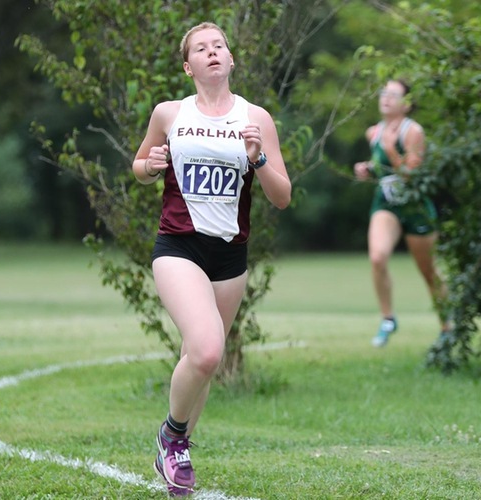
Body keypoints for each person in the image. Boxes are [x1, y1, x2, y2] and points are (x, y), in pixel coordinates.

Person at [131, 21, 291, 496]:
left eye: (219, 45)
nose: (213, 52)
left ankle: (176, 453)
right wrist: (150, 166)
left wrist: (257, 158)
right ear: (189, 67)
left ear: (231, 58)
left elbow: (282, 196)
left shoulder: (255, 118)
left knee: (200, 360)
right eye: (201, 48)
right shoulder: (169, 113)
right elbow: (140, 166)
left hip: (230, 257)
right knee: (206, 349)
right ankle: (172, 437)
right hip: (178, 246)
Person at [353, 79, 450, 347]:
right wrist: (366, 169)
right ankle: (388, 319)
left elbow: (410, 174)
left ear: (406, 104)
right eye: (383, 93)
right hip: (386, 204)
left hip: (415, 207)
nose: (385, 98)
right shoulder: (374, 132)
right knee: (377, 257)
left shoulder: (413, 132)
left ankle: (448, 328)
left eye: (393, 95)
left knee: (428, 272)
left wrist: (391, 150)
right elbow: (380, 167)